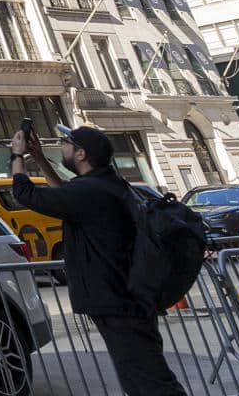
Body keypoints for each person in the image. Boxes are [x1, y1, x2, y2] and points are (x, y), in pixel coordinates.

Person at [11, 124, 187, 396]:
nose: (62, 147)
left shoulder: (92, 191)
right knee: (139, 377)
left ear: (81, 154)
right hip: (125, 297)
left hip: (117, 299)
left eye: (67, 143)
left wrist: (17, 156)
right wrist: (41, 159)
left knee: (150, 380)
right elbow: (64, 194)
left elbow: (26, 194)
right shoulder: (107, 185)